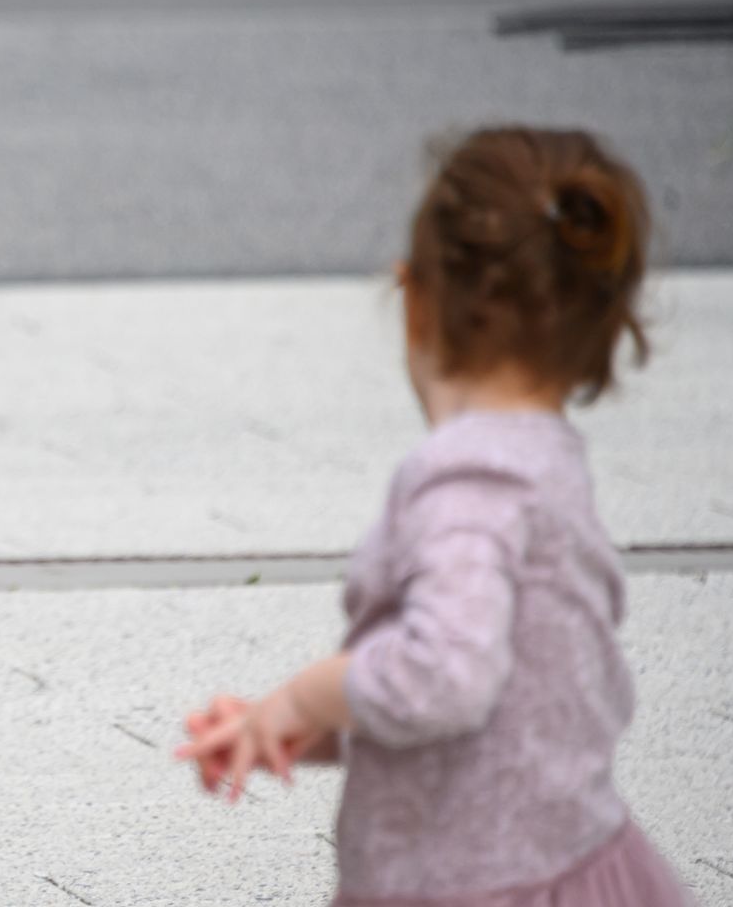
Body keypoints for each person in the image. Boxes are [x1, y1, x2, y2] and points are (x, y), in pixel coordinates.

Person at [178, 127, 692, 907]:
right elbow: (500, 706)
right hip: (574, 864)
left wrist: (304, 696)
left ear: (414, 302)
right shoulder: (547, 459)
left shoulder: (465, 482)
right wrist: (299, 729)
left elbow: (446, 675)